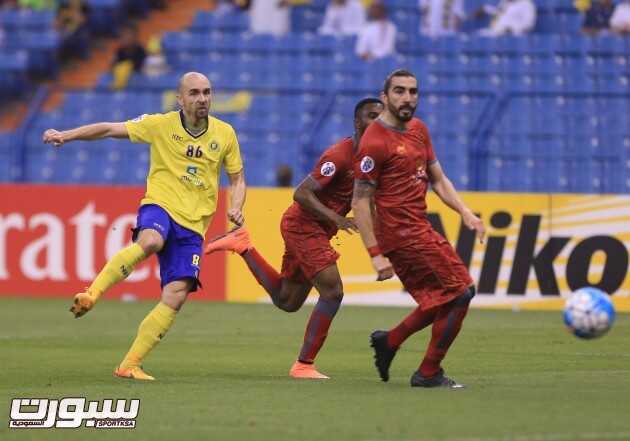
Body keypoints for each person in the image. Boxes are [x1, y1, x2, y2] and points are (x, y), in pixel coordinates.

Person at [42, 72, 246, 381]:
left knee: (176, 295)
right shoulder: (160, 125)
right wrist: (65, 135)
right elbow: (110, 128)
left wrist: (236, 205)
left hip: (194, 225)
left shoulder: (225, 133)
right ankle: (92, 294)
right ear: (180, 99)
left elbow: (238, 179)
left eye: (206, 92)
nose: (202, 98)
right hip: (161, 205)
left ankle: (129, 365)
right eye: (194, 93)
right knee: (151, 240)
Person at [204, 98, 384, 379]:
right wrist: (336, 219)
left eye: (382, 117)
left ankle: (243, 245)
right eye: (373, 116)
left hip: (317, 230)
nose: (379, 121)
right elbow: (301, 193)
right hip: (303, 225)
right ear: (358, 122)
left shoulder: (372, 160)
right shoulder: (340, 155)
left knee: (288, 301)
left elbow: (366, 199)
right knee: (333, 291)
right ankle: (304, 365)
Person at [351, 69, 485, 388]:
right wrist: (375, 254)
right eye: (399, 91)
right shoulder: (374, 141)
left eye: (413, 91)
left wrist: (465, 211)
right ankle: (427, 372)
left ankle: (390, 341)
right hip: (400, 234)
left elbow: (438, 178)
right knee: (462, 291)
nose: (407, 98)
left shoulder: (419, 130)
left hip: (418, 227)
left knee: (442, 299)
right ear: (385, 97)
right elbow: (359, 201)